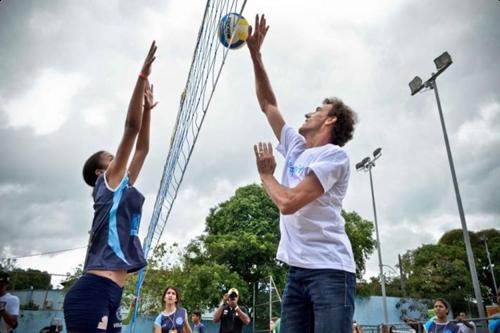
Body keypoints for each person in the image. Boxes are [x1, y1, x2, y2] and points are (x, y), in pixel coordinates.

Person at [247, 14, 357, 333]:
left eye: (317, 110)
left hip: (330, 270)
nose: (309, 112)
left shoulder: (334, 156)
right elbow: (268, 104)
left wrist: (267, 175)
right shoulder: (295, 146)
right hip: (297, 272)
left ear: (330, 121)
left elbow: (289, 202)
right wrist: (255, 55)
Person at [63, 41, 158, 333]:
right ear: (100, 170)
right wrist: (140, 77)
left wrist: (148, 109)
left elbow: (142, 150)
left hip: (111, 293)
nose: (118, 159)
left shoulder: (120, 187)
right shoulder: (108, 182)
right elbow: (131, 129)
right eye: (111, 157)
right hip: (92, 292)